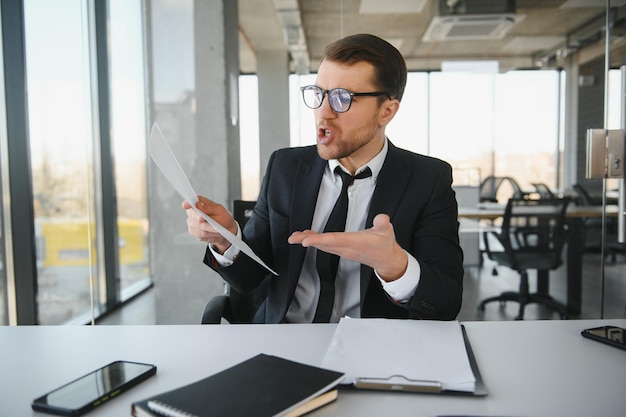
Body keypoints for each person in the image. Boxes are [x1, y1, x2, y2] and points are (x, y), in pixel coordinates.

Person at [183, 33, 463, 323]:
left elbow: (446, 303)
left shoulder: (428, 180)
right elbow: (248, 279)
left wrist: (396, 266)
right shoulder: (285, 166)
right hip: (283, 338)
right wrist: (226, 239)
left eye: (343, 98)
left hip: (375, 348)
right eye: (319, 94)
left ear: (387, 111)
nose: (323, 113)